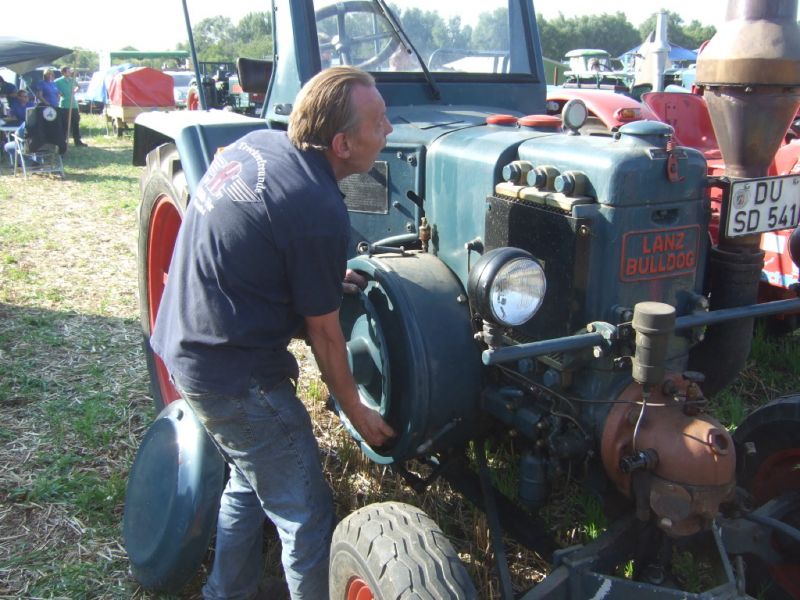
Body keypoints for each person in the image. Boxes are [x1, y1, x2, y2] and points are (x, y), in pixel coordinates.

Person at [150, 65, 396, 600]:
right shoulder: (318, 209)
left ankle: (225, 591)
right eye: (379, 123)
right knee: (305, 512)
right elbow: (327, 338)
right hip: (231, 374)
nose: (389, 131)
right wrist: (356, 409)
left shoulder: (258, 144)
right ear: (342, 144)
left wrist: (323, 274)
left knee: (251, 475)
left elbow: (261, 236)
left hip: (184, 342)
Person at [54, 66, 87, 147]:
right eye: (68, 71)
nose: (70, 73)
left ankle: (77, 141)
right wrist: (59, 93)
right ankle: (63, 141)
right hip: (64, 105)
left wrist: (74, 91)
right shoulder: (58, 81)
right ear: (64, 72)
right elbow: (54, 89)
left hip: (73, 105)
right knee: (64, 124)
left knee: (75, 123)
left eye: (70, 71)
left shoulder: (72, 80)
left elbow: (78, 86)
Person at [3, 90, 35, 165]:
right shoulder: (15, 104)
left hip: (27, 128)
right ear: (19, 97)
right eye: (24, 96)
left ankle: (23, 161)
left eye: (27, 96)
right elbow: (12, 116)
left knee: (16, 141)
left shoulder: (31, 104)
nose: (26, 98)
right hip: (18, 125)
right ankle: (21, 160)